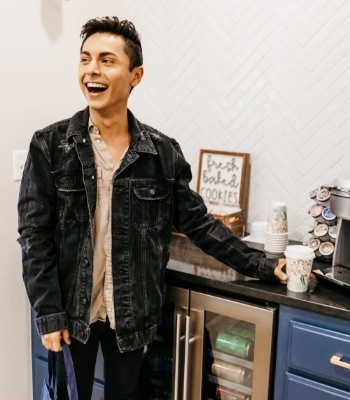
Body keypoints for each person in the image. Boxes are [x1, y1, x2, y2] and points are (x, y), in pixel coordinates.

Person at [18, 16, 287, 400]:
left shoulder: (161, 153)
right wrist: (48, 312)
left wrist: (262, 265)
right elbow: (34, 236)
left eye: (107, 60)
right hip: (70, 314)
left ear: (135, 75)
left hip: (132, 316)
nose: (92, 70)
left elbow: (199, 224)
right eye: (85, 59)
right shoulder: (50, 146)